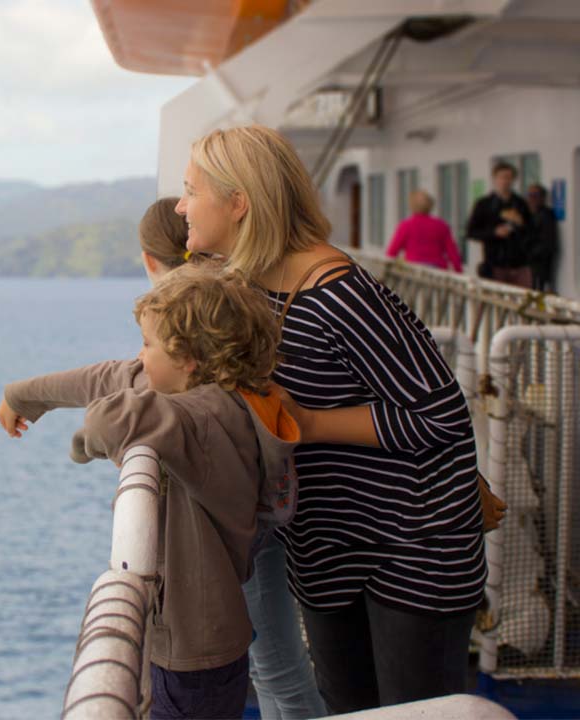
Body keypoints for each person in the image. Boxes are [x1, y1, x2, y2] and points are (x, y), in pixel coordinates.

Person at [176, 125, 486, 714]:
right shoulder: (254, 287)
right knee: (346, 707)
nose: (180, 204)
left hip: (411, 546)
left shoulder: (336, 294)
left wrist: (311, 424)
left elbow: (440, 415)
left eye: (191, 190)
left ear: (239, 201)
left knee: (409, 709)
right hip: (327, 544)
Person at [0, 262, 299, 720]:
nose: (139, 356)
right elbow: (111, 378)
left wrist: (82, 446)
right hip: (202, 637)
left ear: (188, 359)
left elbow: (108, 418)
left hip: (195, 651)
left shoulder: (203, 419)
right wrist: (24, 395)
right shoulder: (210, 394)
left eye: (148, 343)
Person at [139, 197, 326, 720]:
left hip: (242, 523)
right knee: (275, 667)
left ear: (151, 261)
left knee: (279, 669)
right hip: (265, 506)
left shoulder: (186, 330)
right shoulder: (231, 307)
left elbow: (121, 387)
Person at [466, 162, 532, 286]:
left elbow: (532, 231)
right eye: (502, 177)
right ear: (494, 179)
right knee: (495, 300)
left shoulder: (520, 204)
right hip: (494, 263)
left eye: (508, 177)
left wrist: (521, 224)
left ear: (513, 180)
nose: (505, 181)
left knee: (521, 300)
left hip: (520, 263)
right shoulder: (484, 204)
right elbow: (471, 232)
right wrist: (493, 232)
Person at [385, 190, 463, 272]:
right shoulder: (441, 225)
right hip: (438, 272)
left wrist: (385, 269)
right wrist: (459, 271)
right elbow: (452, 252)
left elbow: (392, 251)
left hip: (413, 270)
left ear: (412, 205)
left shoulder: (406, 225)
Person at [526, 184, 559, 293]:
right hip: (526, 265)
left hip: (540, 266)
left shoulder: (546, 215)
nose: (531, 198)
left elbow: (548, 243)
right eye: (529, 195)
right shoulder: (526, 214)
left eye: (535, 195)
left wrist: (529, 254)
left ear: (542, 198)